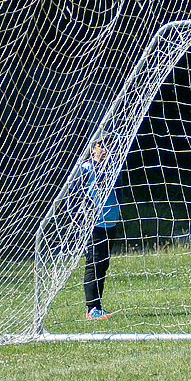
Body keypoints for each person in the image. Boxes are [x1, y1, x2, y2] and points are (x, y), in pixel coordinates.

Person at [81, 136, 121, 319]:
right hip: (93, 225)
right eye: (100, 146)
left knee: (103, 265)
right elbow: (73, 197)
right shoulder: (85, 168)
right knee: (93, 265)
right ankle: (91, 309)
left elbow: (117, 193)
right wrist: (81, 218)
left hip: (110, 222)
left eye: (108, 146)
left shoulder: (114, 169)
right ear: (93, 149)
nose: (104, 149)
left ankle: (98, 306)